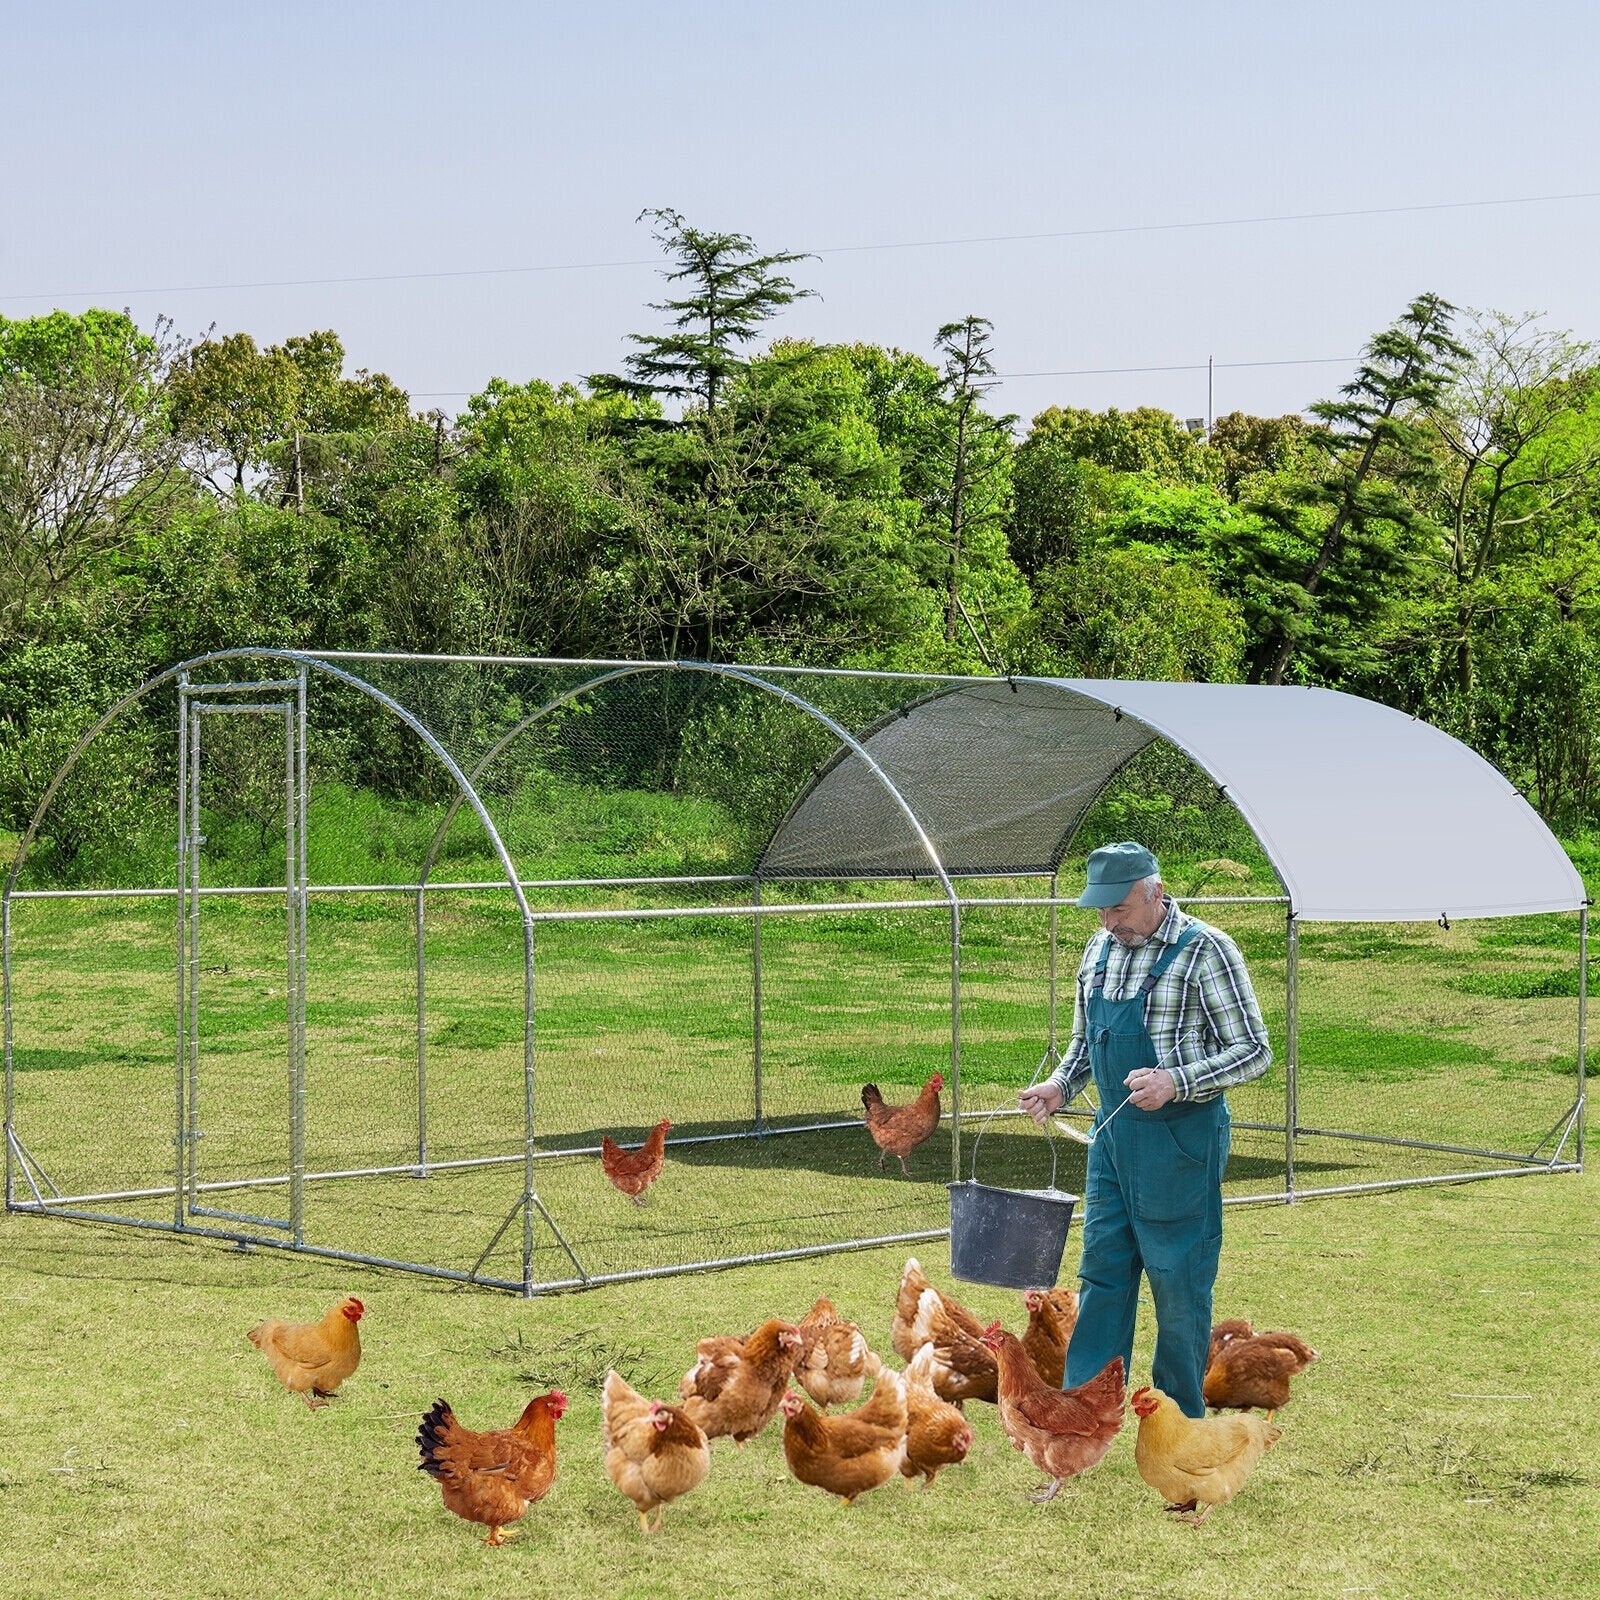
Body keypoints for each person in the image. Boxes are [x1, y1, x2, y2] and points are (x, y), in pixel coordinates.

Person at [1019, 840, 1270, 1418]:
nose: (1110, 922)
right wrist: (1061, 1086)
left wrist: (1175, 1082)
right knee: (1102, 1274)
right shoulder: (1099, 951)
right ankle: (1088, 1407)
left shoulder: (1206, 951)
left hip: (1180, 1144)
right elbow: (1084, 1043)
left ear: (1155, 892)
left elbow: (1254, 1050)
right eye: (1101, 911)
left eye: (1121, 909)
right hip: (1112, 1146)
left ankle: (1177, 1413)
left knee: (1178, 1283)